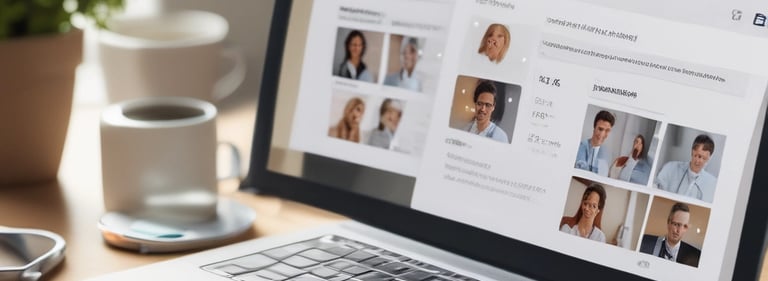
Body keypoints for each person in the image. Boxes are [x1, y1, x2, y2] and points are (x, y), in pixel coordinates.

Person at [655, 134, 717, 202]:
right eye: (696, 155)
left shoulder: (712, 184)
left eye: (703, 158)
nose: (698, 161)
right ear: (692, 152)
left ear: (709, 159)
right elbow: (655, 190)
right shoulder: (670, 168)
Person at [639, 202, 701, 267]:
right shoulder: (645, 243)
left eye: (684, 226)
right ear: (668, 222)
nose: (678, 230)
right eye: (676, 224)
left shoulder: (696, 257)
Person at [574, 110, 615, 176]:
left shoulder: (607, 153)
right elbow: (581, 173)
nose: (602, 134)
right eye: (600, 129)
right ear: (594, 127)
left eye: (607, 130)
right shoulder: (581, 146)